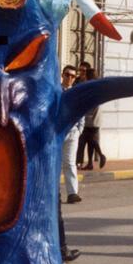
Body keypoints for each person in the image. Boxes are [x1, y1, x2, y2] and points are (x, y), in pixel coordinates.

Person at [60, 65, 83, 203]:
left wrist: (79, 130)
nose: (69, 78)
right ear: (62, 75)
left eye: (73, 76)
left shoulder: (76, 92)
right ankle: (53, 194)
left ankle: (72, 193)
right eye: (67, 75)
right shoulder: (55, 91)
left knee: (70, 163)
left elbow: (81, 112)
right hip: (57, 132)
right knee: (55, 163)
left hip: (72, 132)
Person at [81, 68, 106, 170]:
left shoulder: (92, 86)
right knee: (91, 141)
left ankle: (101, 155)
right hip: (96, 118)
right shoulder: (99, 85)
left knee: (91, 139)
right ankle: (90, 163)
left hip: (91, 118)